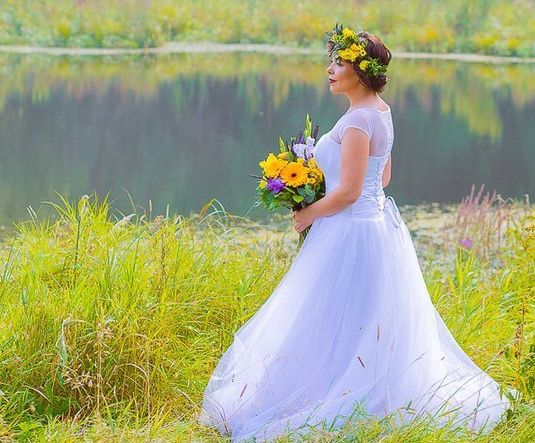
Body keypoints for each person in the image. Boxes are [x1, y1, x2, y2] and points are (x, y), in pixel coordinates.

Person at [200, 25, 511, 441]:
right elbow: (381, 178)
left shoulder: (358, 121)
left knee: (328, 315)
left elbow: (348, 192)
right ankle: (359, 390)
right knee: (359, 317)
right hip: (374, 227)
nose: (330, 70)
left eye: (339, 63)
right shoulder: (380, 112)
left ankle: (327, 398)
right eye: (332, 62)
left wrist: (308, 210)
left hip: (349, 231)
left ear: (360, 72)